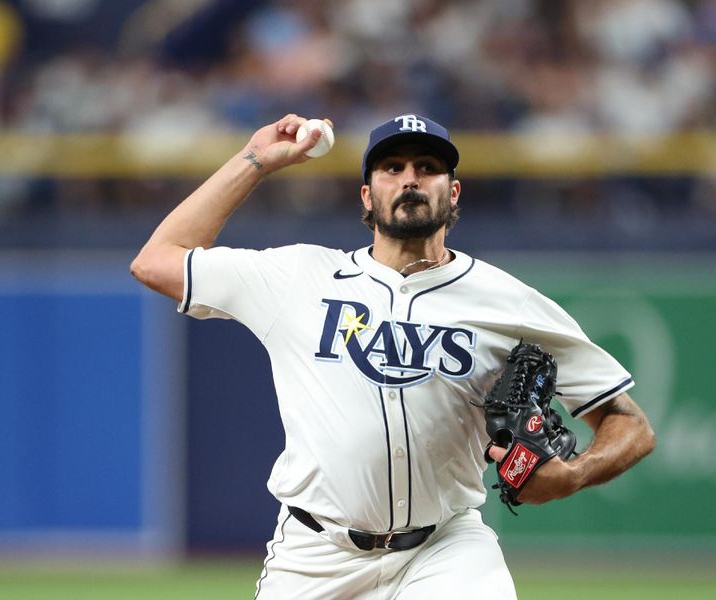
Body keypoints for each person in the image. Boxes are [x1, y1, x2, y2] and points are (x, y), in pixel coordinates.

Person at [130, 113, 655, 599]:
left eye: (427, 168)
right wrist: (254, 161)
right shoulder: (298, 277)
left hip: (445, 548)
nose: (409, 178)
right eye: (392, 167)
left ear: (452, 193)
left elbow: (630, 424)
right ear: (366, 195)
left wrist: (577, 473)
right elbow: (156, 261)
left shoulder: (508, 301)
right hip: (315, 554)